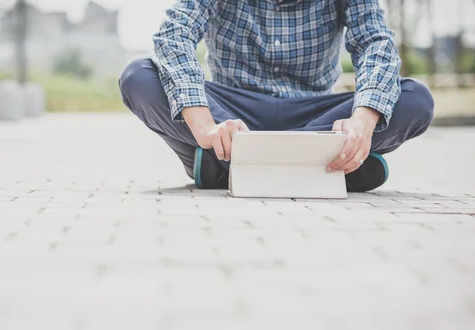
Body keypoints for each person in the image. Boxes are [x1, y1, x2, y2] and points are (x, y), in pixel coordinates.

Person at [119, 0, 434, 191]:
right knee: (139, 77)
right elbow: (176, 33)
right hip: (231, 114)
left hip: (315, 114)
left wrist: (362, 121)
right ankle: (317, 167)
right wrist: (205, 126)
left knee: (415, 99)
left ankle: (226, 165)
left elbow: (375, 43)